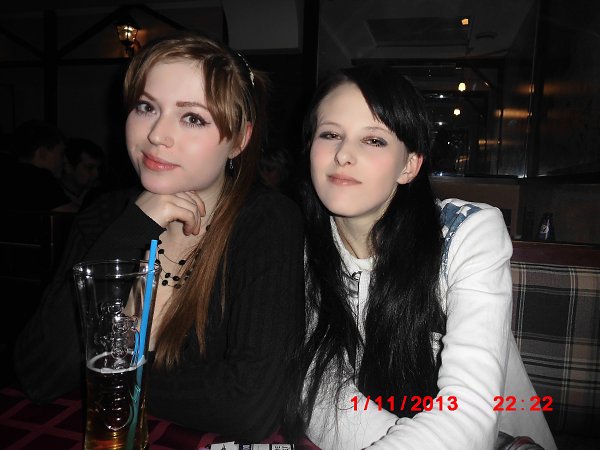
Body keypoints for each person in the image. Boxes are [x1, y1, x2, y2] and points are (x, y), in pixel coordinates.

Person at [14, 31, 304, 442]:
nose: (156, 135)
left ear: (239, 140)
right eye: (146, 107)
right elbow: (38, 375)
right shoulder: (105, 216)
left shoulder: (266, 221)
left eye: (192, 118)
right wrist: (132, 227)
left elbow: (250, 406)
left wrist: (104, 375)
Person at [294, 64, 556, 449]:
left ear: (409, 165)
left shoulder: (467, 233)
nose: (343, 154)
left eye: (374, 140)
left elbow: (467, 416)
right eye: (330, 134)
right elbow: (321, 398)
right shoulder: (298, 249)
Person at [3, 119, 75, 211]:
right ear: (43, 153)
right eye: (61, 153)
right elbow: (73, 214)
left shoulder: (7, 173)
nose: (65, 160)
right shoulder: (40, 178)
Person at [60, 137, 104, 209]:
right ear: (68, 167)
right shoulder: (52, 195)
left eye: (99, 168)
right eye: (90, 168)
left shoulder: (97, 196)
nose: (96, 174)